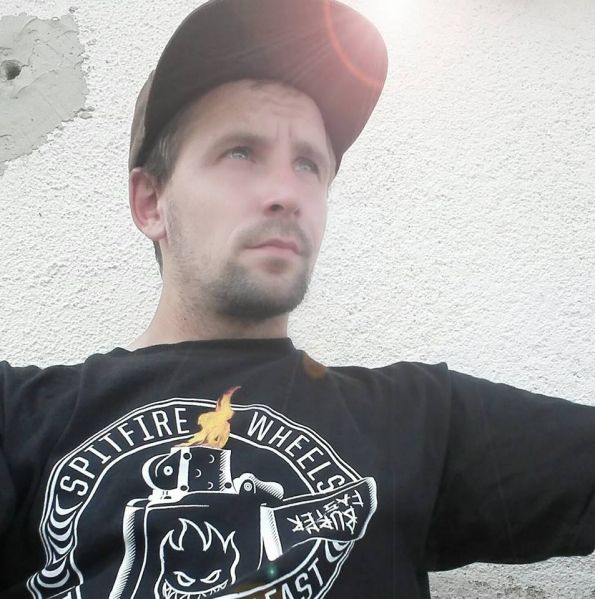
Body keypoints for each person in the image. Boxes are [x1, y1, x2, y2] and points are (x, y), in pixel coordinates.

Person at [0, 0, 593, 597]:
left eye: (309, 164)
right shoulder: (22, 418)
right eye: (240, 152)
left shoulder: (417, 422)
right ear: (151, 202)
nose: (287, 192)